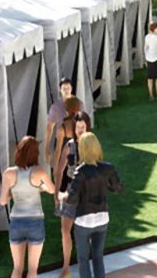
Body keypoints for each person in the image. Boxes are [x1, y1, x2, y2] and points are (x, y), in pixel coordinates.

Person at [66, 131, 122, 278]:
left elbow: (72, 200)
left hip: (84, 221)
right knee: (98, 257)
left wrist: (64, 195)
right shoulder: (108, 168)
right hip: (103, 218)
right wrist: (105, 184)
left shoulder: (80, 171)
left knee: (83, 259)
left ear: (82, 149)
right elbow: (118, 188)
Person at [0, 135, 56, 278]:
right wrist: (39, 187)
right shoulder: (40, 171)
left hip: (16, 222)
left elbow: (2, 201)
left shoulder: (9, 173)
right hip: (35, 222)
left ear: (18, 152)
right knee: (32, 270)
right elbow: (52, 189)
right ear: (35, 153)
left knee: (17, 268)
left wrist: (13, 193)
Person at [52, 107, 92, 276]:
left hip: (87, 194)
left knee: (86, 231)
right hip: (69, 193)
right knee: (65, 230)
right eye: (78, 127)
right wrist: (56, 194)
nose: (80, 130)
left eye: (83, 127)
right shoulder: (69, 146)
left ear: (87, 127)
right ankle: (66, 266)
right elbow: (59, 170)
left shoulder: (93, 145)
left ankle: (85, 264)